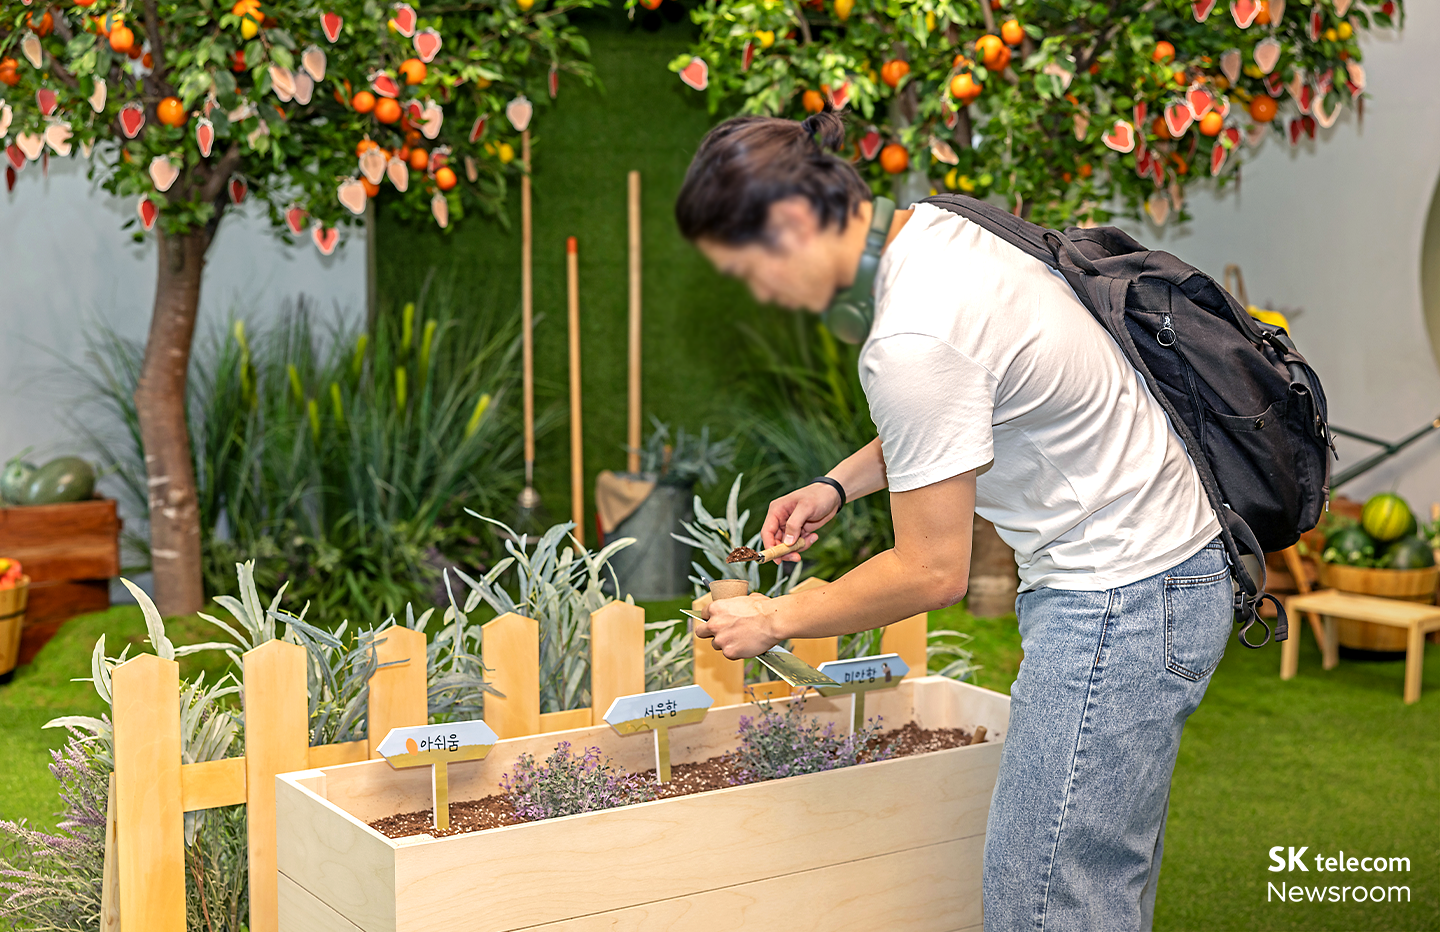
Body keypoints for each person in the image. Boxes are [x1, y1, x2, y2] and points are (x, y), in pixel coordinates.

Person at [677, 107, 1232, 932]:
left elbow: (932, 571)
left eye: (747, 269)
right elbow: (965, 407)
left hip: (1120, 596)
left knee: (1044, 900)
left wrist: (776, 616)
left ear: (792, 223)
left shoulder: (910, 335)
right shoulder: (937, 229)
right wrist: (837, 485)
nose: (760, 294)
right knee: (1094, 881)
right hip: (1165, 571)